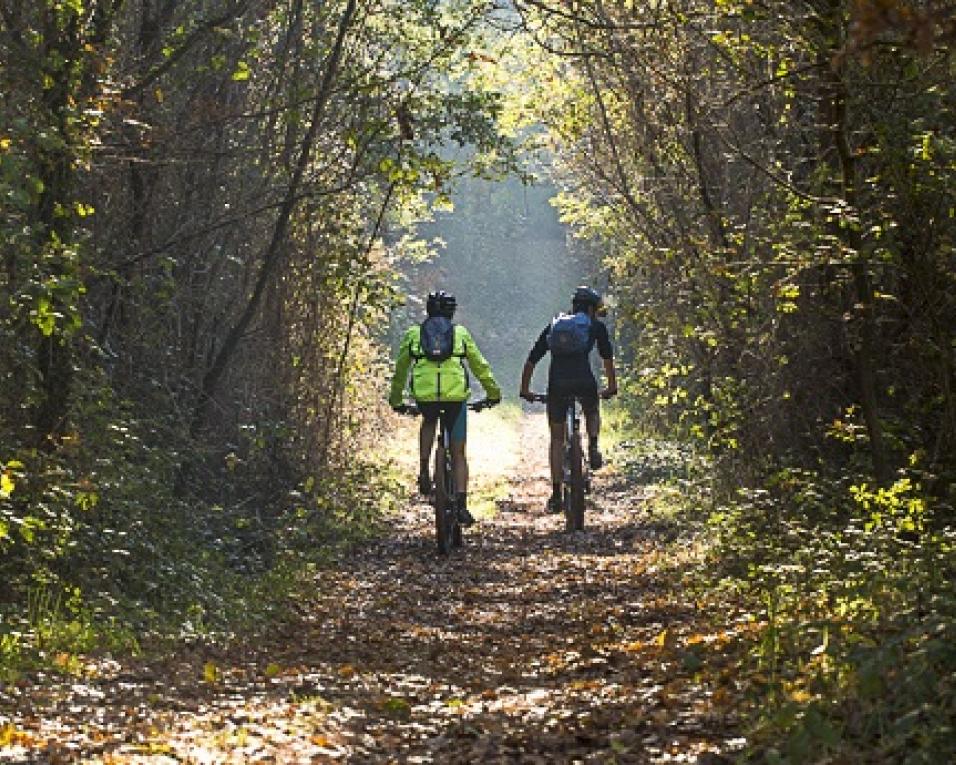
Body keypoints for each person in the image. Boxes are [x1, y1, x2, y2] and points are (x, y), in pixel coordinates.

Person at [389, 290, 501, 526]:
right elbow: (480, 366)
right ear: (452, 311)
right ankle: (461, 504)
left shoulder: (414, 334)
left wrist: (396, 401)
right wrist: (493, 394)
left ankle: (423, 471)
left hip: (425, 396)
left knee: (428, 421)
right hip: (454, 399)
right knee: (459, 454)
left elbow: (400, 371)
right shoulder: (460, 334)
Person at [519, 285, 618, 513]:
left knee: (556, 439)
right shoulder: (595, 326)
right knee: (592, 410)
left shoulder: (556, 326)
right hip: (585, 382)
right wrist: (611, 386)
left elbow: (532, 358)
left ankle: (555, 494)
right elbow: (607, 358)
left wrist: (525, 389)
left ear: (574, 306)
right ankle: (593, 445)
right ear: (592, 308)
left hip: (558, 385)